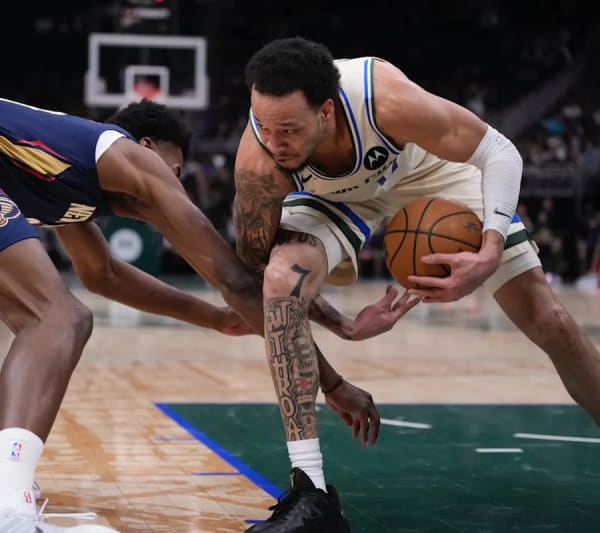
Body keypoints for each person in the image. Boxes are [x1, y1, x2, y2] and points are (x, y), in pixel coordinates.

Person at [0, 92, 406, 532]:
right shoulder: (126, 158)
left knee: (34, 308)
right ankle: (5, 501)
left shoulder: (70, 187)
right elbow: (235, 279)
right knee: (57, 318)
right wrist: (333, 380)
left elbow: (103, 274)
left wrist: (213, 319)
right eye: (175, 173)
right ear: (152, 152)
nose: (173, 189)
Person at [233, 36, 600, 532]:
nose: (274, 142)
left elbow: (500, 151)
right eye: (265, 126)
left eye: (288, 130)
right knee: (281, 278)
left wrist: (489, 251)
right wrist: (340, 326)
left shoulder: (383, 98)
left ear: (325, 111)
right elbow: (254, 275)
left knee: (550, 319)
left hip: (429, 173)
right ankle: (312, 494)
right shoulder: (260, 162)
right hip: (335, 199)